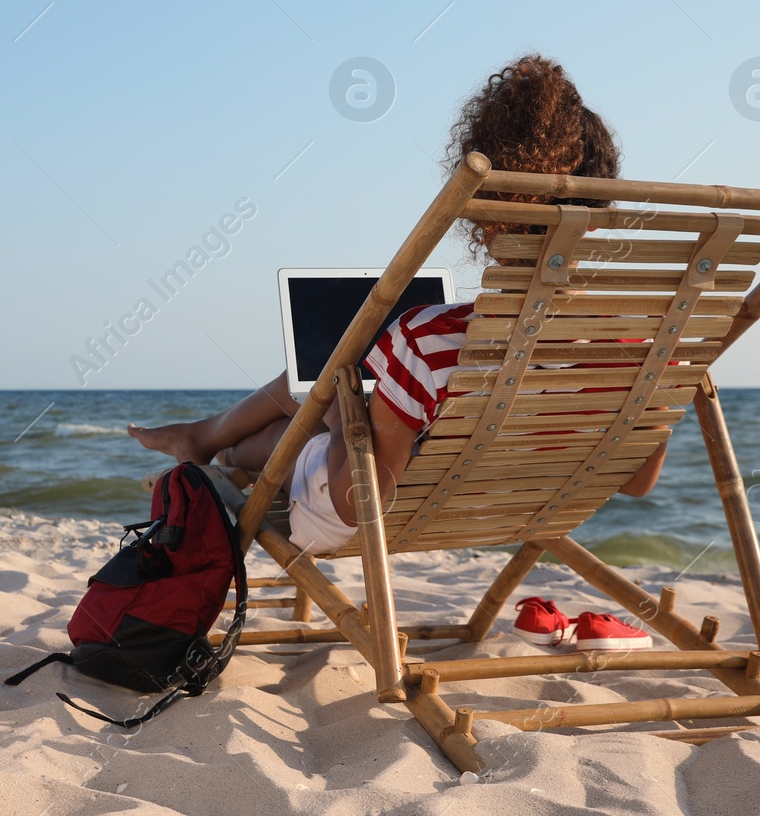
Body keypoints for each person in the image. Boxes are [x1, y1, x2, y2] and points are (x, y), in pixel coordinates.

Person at [128, 55, 668, 551]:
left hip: (354, 513)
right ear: (600, 209)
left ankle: (213, 448)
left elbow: (356, 505)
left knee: (330, 383)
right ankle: (211, 444)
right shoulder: (638, 343)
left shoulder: (427, 339)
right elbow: (641, 483)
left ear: (486, 212)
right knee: (333, 393)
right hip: (509, 512)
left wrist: (342, 413)